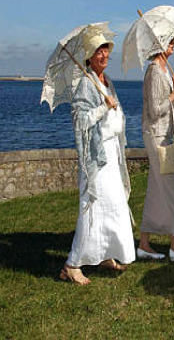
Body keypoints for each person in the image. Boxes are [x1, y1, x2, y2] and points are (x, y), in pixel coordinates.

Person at [60, 29, 135, 285]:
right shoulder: (84, 83)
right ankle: (72, 264)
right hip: (96, 159)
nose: (103, 55)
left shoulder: (106, 81)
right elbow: (80, 121)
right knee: (92, 208)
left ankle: (104, 254)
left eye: (106, 50)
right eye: (98, 51)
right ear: (89, 57)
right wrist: (104, 107)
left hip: (111, 155)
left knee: (113, 206)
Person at [137, 36, 174, 263]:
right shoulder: (154, 71)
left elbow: (167, 106)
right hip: (156, 137)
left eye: (173, 42)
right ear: (159, 44)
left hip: (164, 135)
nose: (173, 46)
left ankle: (144, 244)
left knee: (157, 190)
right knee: (171, 190)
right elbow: (154, 110)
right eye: (169, 42)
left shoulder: (163, 70)